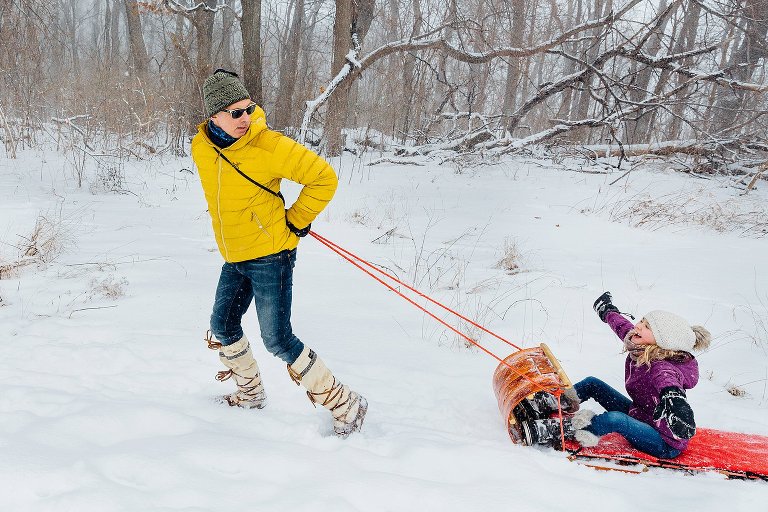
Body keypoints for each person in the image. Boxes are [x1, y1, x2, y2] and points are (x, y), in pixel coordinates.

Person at [190, 68, 367, 438]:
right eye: (236, 112)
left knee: (277, 340)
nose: (246, 118)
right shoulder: (201, 147)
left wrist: (296, 222)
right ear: (214, 117)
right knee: (222, 325)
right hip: (235, 254)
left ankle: (345, 402)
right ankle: (251, 394)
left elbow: (324, 177)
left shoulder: (268, 145)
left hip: (272, 254)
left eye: (249, 108)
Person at [526, 292, 711, 458]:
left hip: (663, 441)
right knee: (593, 384)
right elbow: (624, 327)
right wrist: (608, 312)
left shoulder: (661, 367)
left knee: (615, 419)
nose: (638, 327)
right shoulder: (640, 345)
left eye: (647, 327)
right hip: (641, 415)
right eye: (642, 321)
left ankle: (561, 430)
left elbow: (668, 383)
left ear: (663, 342)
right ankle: (552, 403)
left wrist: (675, 400)